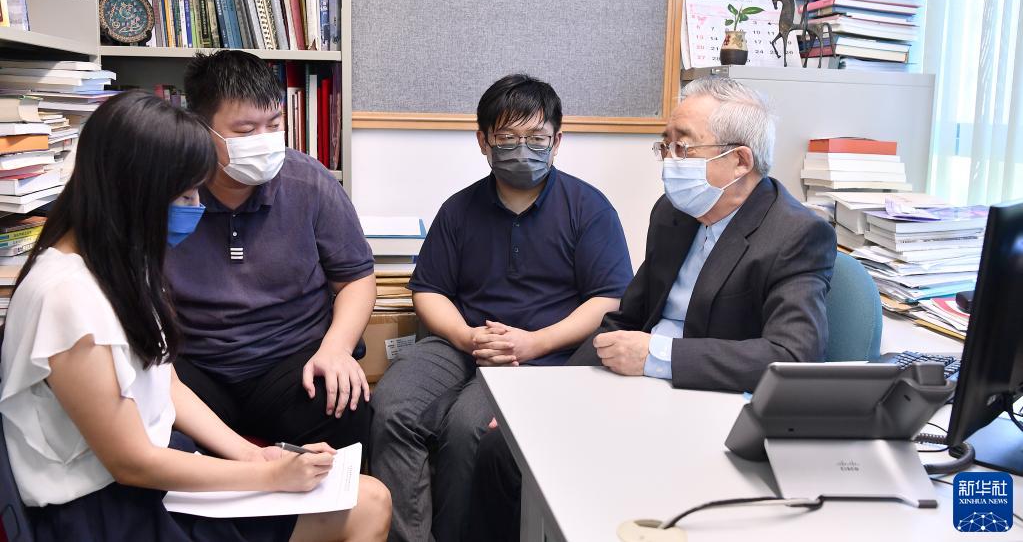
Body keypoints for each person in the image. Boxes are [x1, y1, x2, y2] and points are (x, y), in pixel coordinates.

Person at [0, 91, 390, 541]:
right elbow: (131, 462)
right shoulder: (66, 298)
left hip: (151, 477)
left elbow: (165, 384)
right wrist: (270, 477)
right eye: (185, 195)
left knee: (366, 496)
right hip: (112, 509)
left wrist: (254, 456)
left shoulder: (117, 265)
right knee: (368, 506)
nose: (196, 208)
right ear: (136, 194)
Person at [466, 76, 837, 541]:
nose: (669, 161)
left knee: (586, 476)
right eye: (666, 146)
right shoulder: (672, 214)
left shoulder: (796, 234)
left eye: (684, 147)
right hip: (632, 389)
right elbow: (623, 321)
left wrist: (656, 356)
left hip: (704, 408)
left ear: (740, 161)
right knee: (502, 449)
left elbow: (793, 356)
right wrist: (550, 397)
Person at [369, 74, 633, 541]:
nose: (522, 149)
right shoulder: (459, 209)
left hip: (543, 352)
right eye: (507, 138)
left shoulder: (589, 209)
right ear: (483, 141)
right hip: (462, 341)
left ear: (557, 142)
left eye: (537, 138)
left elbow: (607, 299)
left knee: (468, 428)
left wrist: (534, 343)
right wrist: (466, 336)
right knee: (391, 408)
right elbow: (429, 290)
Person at [166, 51, 376, 451]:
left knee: (345, 403)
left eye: (274, 125)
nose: (263, 141)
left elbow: (357, 280)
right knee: (152, 423)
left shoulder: (309, 182)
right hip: (197, 363)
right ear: (201, 129)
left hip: (290, 361)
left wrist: (336, 349)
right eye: (245, 130)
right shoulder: (173, 190)